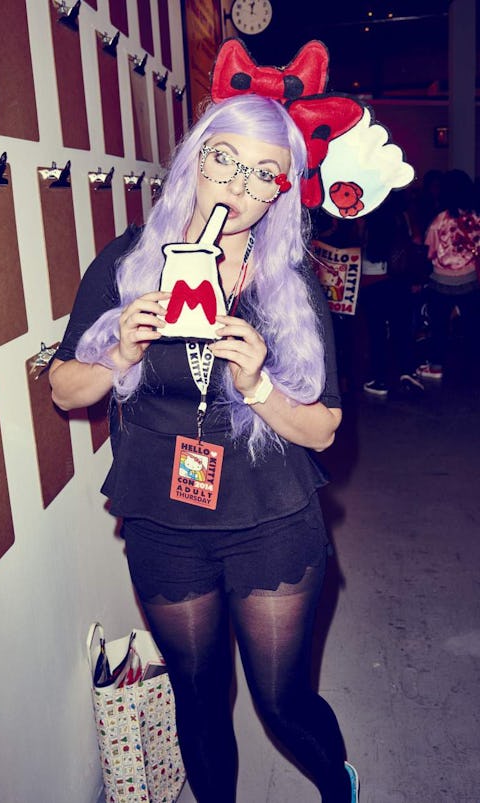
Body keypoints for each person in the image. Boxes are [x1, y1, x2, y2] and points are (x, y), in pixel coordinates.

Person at [49, 36, 414, 803]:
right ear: (194, 161)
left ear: (280, 190)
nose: (238, 184)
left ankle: (338, 783)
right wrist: (118, 348)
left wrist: (256, 384)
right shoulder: (126, 264)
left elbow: (322, 431)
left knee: (282, 703)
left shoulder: (290, 288)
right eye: (224, 159)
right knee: (200, 696)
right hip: (165, 515)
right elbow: (64, 391)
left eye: (261, 172)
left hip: (269, 516)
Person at [357, 193, 425, 398]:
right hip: (399, 278)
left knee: (377, 332)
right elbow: (416, 241)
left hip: (372, 280)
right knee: (401, 329)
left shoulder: (365, 216)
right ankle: (406, 371)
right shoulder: (403, 215)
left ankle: (380, 379)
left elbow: (359, 245)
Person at [417, 169, 480, 381]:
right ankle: (473, 365)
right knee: (473, 326)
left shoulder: (440, 219)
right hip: (469, 280)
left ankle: (436, 366)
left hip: (441, 281)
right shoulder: (475, 217)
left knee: (439, 326)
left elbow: (430, 251)